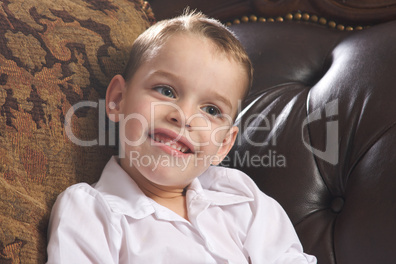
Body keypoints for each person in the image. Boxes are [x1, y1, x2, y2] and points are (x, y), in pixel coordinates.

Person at [47, 10, 317, 264]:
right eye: (165, 91)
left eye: (211, 110)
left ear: (224, 144)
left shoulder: (243, 199)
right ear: (118, 99)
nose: (184, 116)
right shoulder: (90, 211)